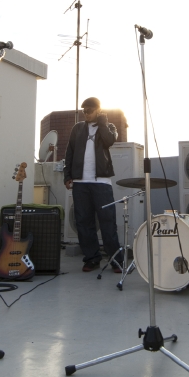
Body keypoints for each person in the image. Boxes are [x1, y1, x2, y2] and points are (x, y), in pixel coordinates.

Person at [64, 97, 124, 273]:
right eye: (84, 111)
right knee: (83, 222)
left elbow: (109, 141)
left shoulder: (109, 127)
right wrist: (67, 175)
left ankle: (116, 260)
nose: (86, 113)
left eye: (89, 110)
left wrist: (103, 121)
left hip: (102, 183)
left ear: (98, 110)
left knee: (108, 222)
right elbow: (69, 152)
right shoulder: (77, 129)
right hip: (80, 183)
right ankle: (92, 258)